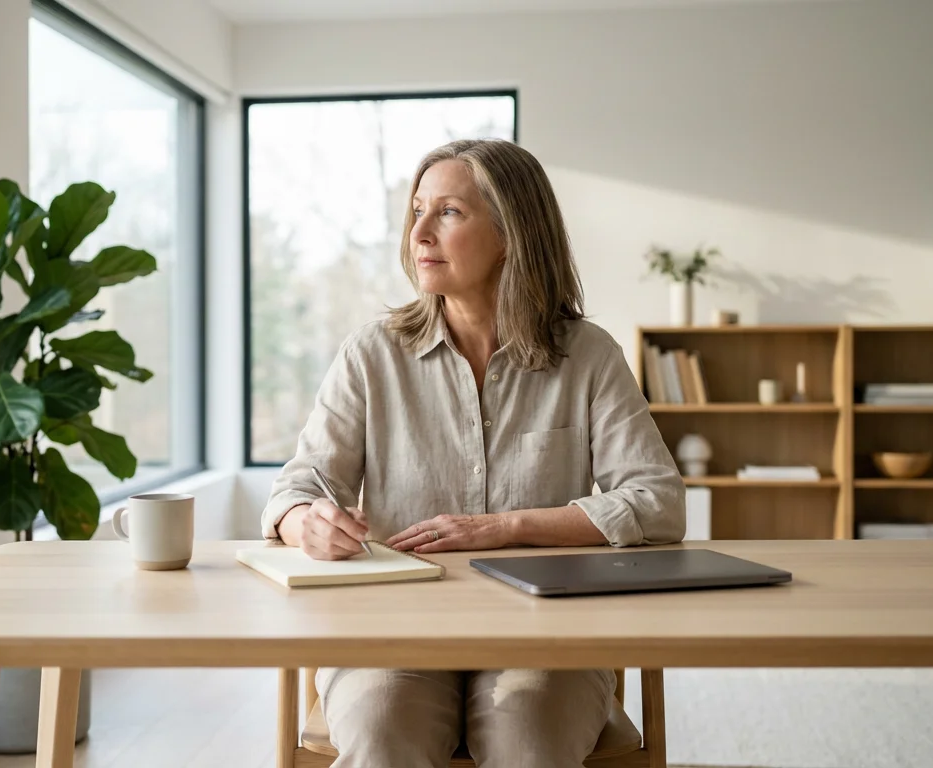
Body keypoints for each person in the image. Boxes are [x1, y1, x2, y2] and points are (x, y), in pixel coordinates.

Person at [260, 138, 686, 768]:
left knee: (528, 737)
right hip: (391, 634)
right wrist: (308, 524)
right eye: (416, 210)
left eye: (449, 213)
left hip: (547, 638)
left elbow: (658, 503)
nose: (419, 232)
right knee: (382, 731)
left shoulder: (588, 356)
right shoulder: (370, 354)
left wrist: (504, 527)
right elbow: (293, 493)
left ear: (512, 233)